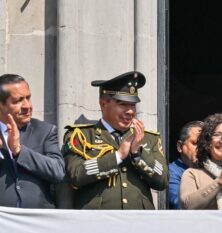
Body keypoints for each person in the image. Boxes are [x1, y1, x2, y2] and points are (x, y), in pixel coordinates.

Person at [63, 71, 168, 209]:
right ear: (103, 104)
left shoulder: (148, 138)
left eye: (132, 105)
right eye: (123, 104)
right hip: (97, 223)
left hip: (139, 223)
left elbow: (162, 180)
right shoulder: (81, 135)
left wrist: (137, 154)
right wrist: (117, 156)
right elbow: (76, 175)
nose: (130, 111)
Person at [0, 74, 65, 207]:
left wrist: (19, 151)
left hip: (38, 222)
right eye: (18, 101)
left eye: (28, 98)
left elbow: (58, 172)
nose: (27, 106)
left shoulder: (45, 131)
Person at [168, 121, 202, 208]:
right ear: (180, 147)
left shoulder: (211, 170)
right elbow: (181, 205)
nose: (201, 149)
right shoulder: (171, 172)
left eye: (204, 144)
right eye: (195, 143)